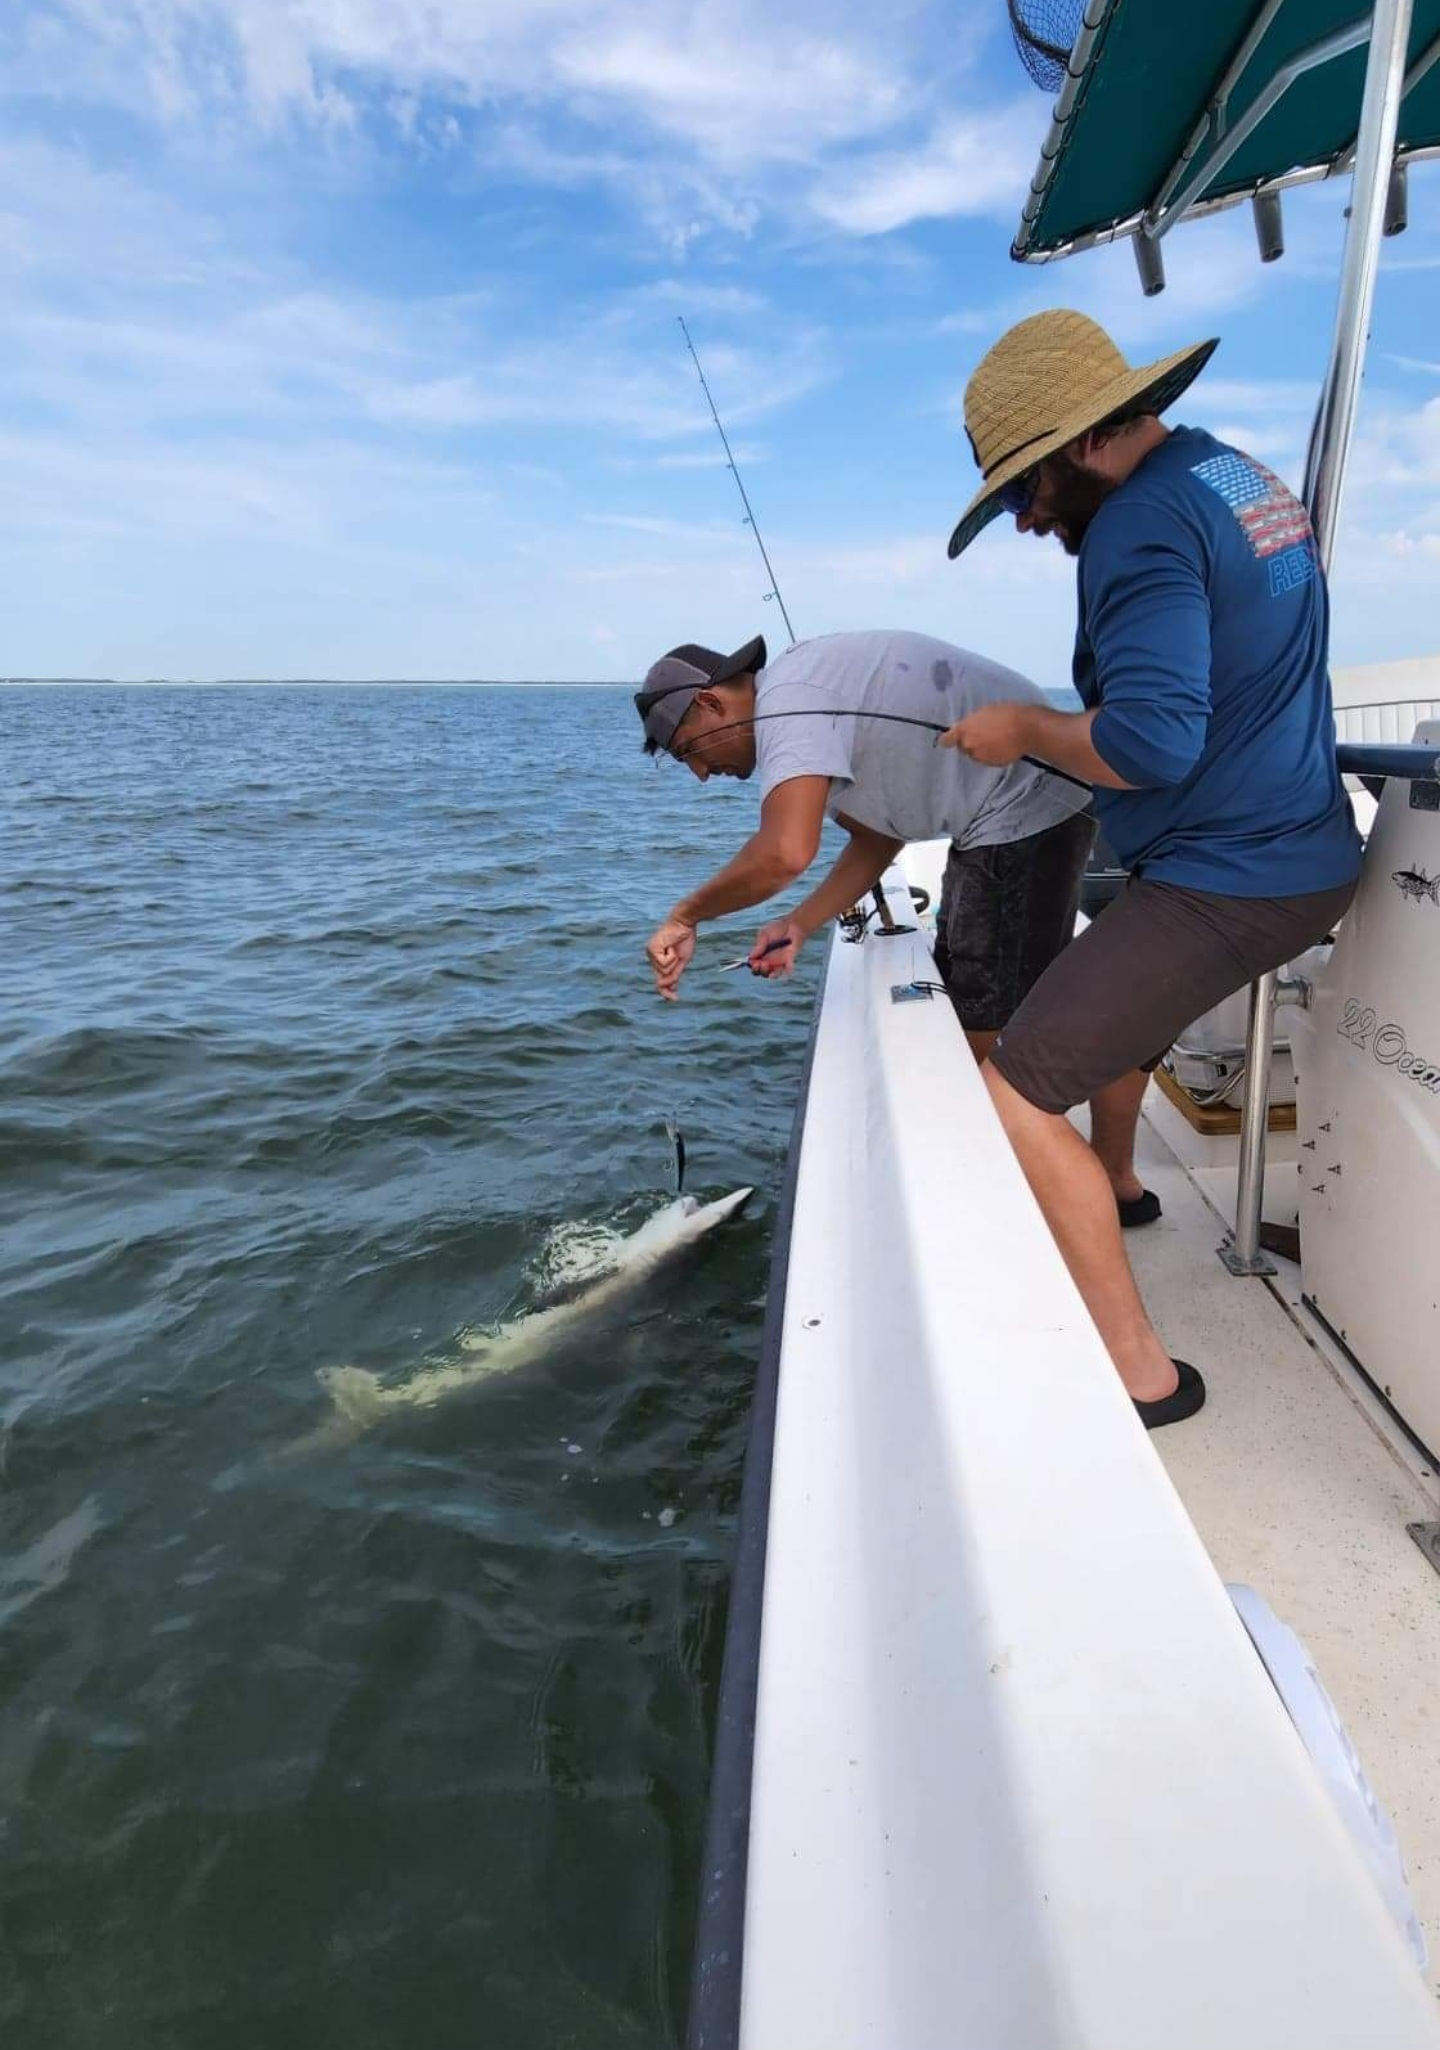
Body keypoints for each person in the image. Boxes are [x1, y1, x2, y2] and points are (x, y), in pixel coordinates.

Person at [942, 308, 1362, 1428]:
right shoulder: (1233, 474)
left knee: (1018, 1089)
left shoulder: (1135, 525)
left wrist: (1026, 727)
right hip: (1300, 844)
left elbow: (1149, 741)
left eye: (1025, 490)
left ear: (1083, 441)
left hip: (1232, 878)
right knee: (1104, 1013)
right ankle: (1122, 1188)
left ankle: (1142, 1377)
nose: (1028, 522)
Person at [636, 629, 1162, 1223]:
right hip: (1025, 805)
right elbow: (881, 835)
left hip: (1023, 807)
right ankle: (1111, 1180)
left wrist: (686, 915)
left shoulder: (788, 703)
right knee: (1016, 999)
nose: (702, 774)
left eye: (689, 752)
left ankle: (1032, 1200)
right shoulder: (810, 698)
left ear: (710, 702)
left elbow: (784, 851)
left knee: (982, 1034)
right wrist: (802, 923)